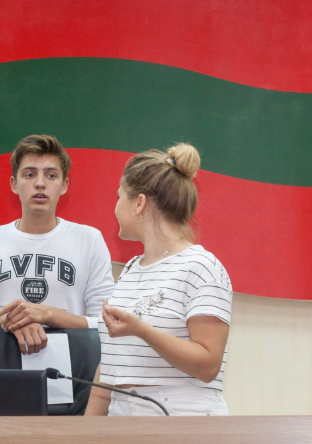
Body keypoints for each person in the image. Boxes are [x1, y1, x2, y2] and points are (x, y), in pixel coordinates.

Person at [85, 143, 232, 416]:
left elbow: (208, 364)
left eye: (119, 197)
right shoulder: (131, 269)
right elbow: (111, 365)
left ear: (139, 203)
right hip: (121, 422)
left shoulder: (202, 267)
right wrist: (86, 432)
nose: (115, 207)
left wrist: (142, 330)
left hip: (183, 422)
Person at [0, 134, 116, 354]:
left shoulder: (89, 240)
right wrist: (10, 322)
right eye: (30, 174)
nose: (40, 183)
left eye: (51, 175)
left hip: (70, 368)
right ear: (14, 184)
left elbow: (106, 323)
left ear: (64, 185)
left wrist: (49, 315)